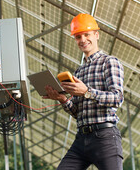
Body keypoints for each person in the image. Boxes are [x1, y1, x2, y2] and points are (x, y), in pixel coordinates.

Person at [43, 13, 124, 170]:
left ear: (96, 35)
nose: (83, 40)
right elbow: (78, 112)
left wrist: (87, 91)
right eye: (78, 37)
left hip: (105, 136)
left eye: (87, 34)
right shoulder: (79, 72)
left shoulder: (109, 62)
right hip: (81, 138)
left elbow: (117, 98)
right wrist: (62, 99)